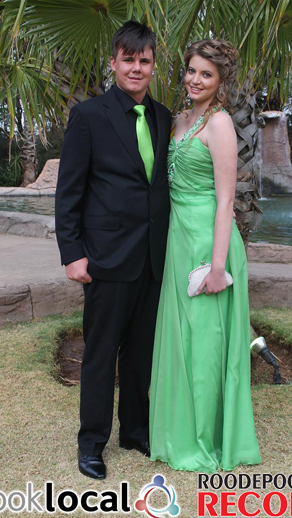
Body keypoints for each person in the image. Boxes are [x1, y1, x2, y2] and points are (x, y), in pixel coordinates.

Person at [55, 20, 172, 481]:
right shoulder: (89, 116)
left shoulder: (163, 116)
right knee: (101, 354)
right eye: (129, 60)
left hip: (153, 258)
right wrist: (72, 253)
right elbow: (69, 191)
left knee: (141, 353)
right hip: (105, 257)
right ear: (114, 62)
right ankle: (91, 443)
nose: (137, 68)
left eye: (145, 60)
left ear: (153, 65)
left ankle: (135, 431)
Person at [148, 39, 262, 473]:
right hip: (178, 239)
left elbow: (226, 200)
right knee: (180, 339)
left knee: (206, 342)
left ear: (220, 81)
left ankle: (205, 438)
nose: (195, 80)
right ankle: (176, 431)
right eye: (192, 70)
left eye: (206, 74)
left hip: (209, 242)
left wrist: (218, 266)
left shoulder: (220, 124)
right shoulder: (179, 119)